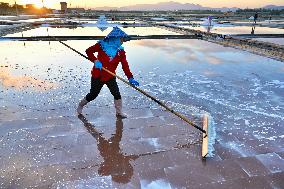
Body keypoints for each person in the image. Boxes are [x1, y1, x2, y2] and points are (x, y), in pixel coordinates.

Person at [76, 27, 139, 118]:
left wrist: (130, 77)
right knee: (93, 95)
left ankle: (119, 112)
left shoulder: (120, 51)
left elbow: (125, 65)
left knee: (116, 93)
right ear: (115, 39)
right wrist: (95, 61)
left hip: (110, 76)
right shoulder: (101, 46)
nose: (122, 42)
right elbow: (88, 51)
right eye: (121, 40)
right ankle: (81, 105)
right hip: (98, 75)